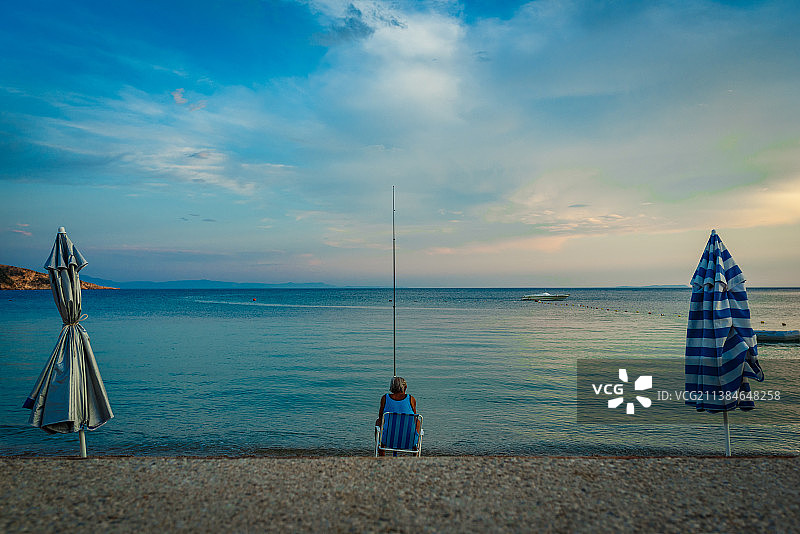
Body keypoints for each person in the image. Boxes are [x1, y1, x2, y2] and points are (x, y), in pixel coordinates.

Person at [376, 376, 419, 456]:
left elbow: (381, 417)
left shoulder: (385, 398)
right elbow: (414, 418)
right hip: (408, 440)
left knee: (378, 421)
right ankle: (415, 447)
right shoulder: (411, 399)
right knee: (417, 421)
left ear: (392, 387)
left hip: (388, 439)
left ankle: (381, 449)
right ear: (405, 387)